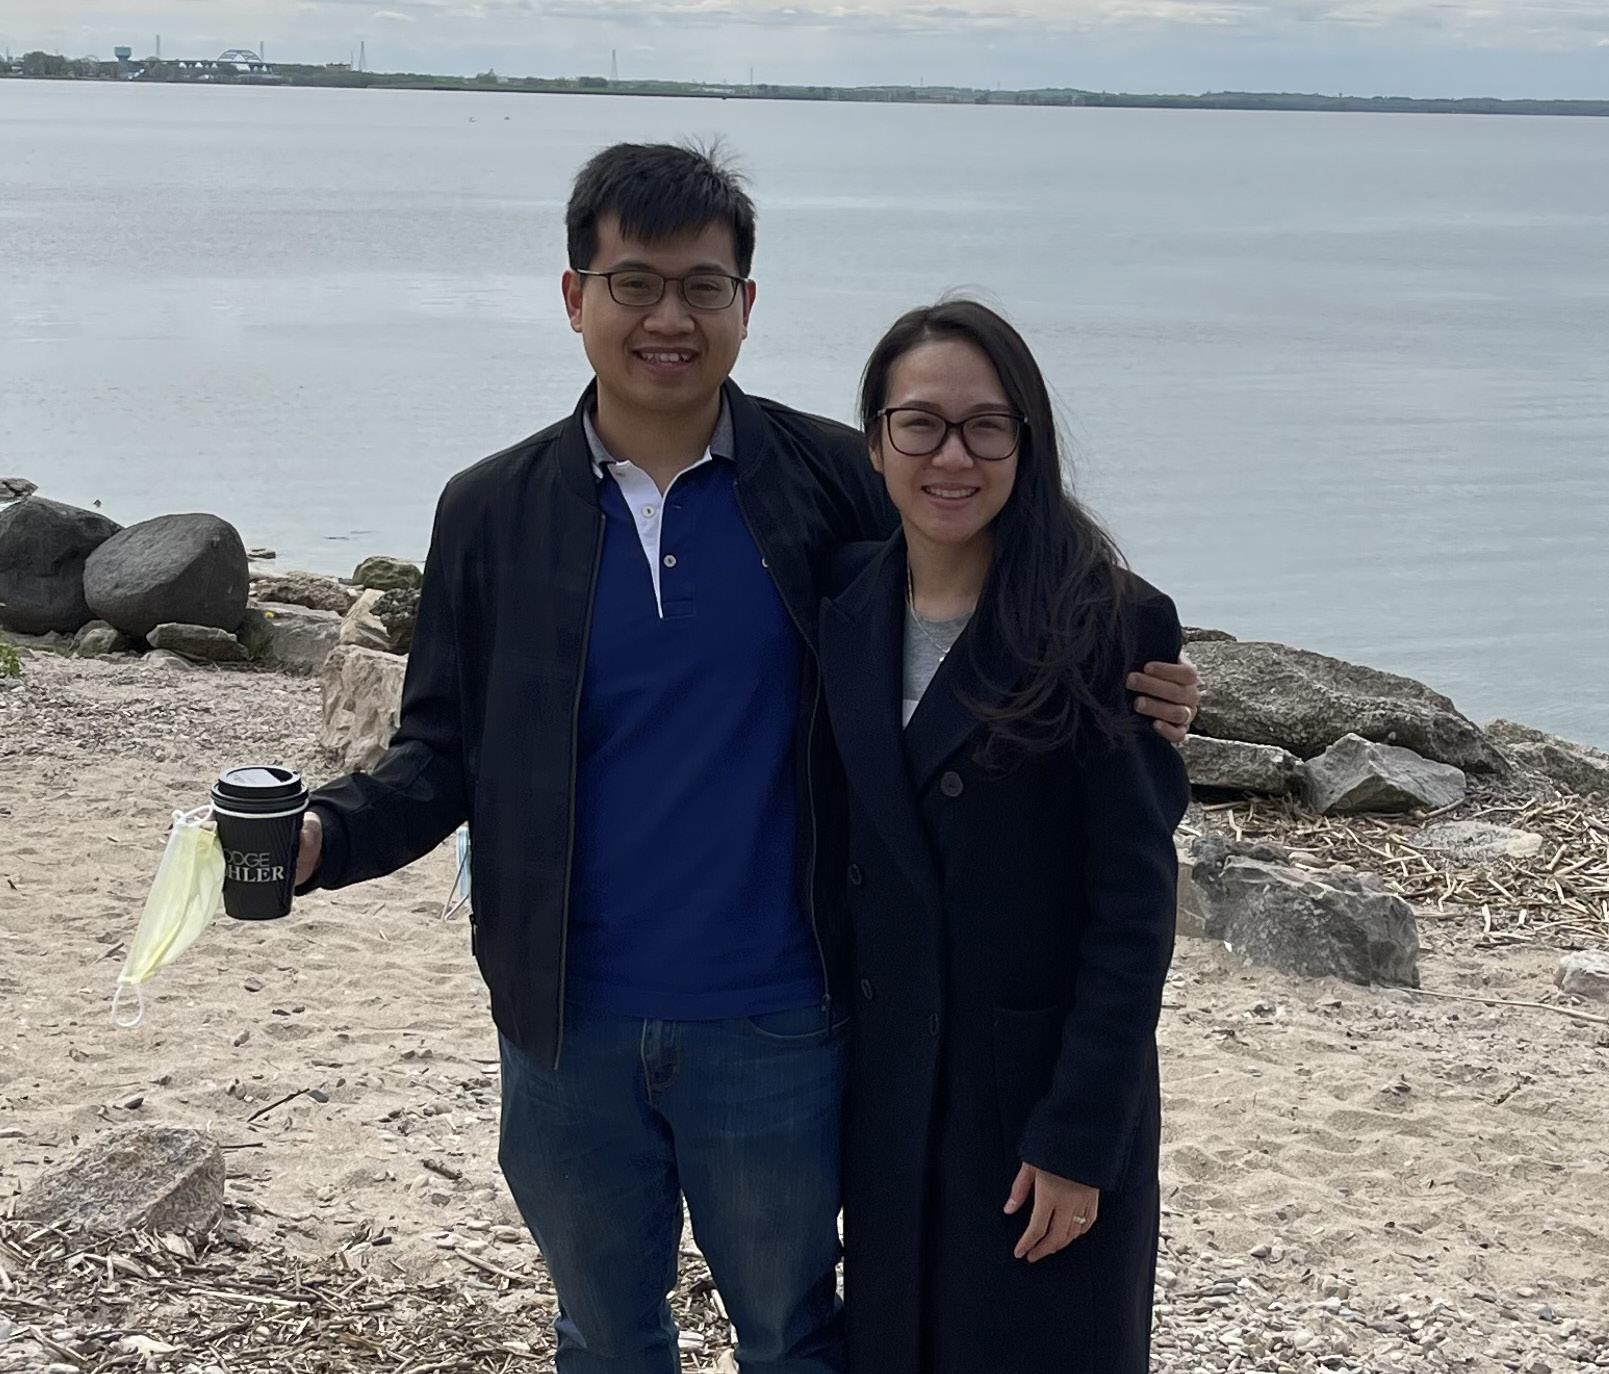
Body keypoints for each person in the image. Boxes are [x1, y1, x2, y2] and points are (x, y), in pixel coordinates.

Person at [288, 145, 1200, 1374]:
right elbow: (444, 749)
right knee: (603, 1336)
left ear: (747, 305)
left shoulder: (829, 481)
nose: (669, 318)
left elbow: (977, 588)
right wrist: (325, 836)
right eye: (635, 283)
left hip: (780, 1019)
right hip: (563, 1024)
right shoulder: (492, 510)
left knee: (795, 1338)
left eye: (703, 287)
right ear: (574, 296)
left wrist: (1136, 688)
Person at [819, 300, 1189, 1374]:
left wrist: (1081, 1136)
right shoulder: (839, 597)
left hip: (1033, 1096)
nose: (953, 456)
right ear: (876, 440)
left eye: (987, 426)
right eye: (920, 424)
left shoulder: (1106, 621)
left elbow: (1133, 909)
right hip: (884, 1084)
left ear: (1027, 443)